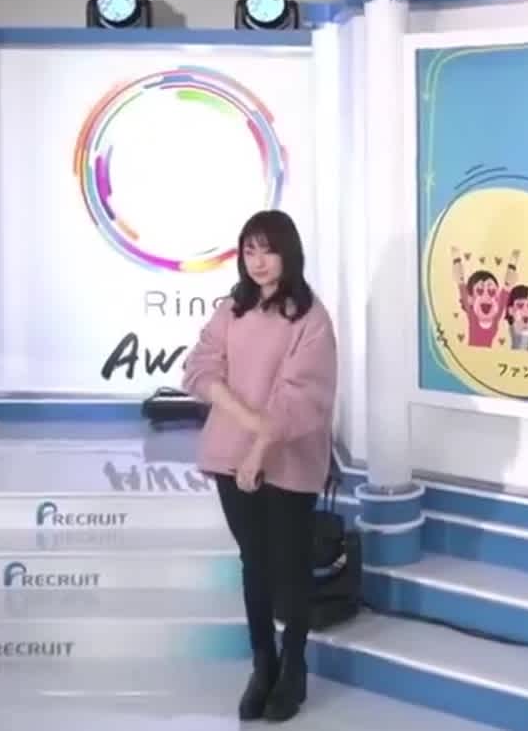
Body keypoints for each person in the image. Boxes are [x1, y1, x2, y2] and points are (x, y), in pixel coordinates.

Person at [182, 210, 338, 723]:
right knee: (255, 562)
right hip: (230, 454)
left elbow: (300, 400)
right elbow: (200, 367)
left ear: (288, 254)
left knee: (289, 566)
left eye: (267, 250)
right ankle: (263, 664)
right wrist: (246, 421)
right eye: (249, 251)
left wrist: (258, 449)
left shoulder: (311, 319)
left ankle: (294, 666)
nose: (258, 261)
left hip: (289, 461)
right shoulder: (232, 309)